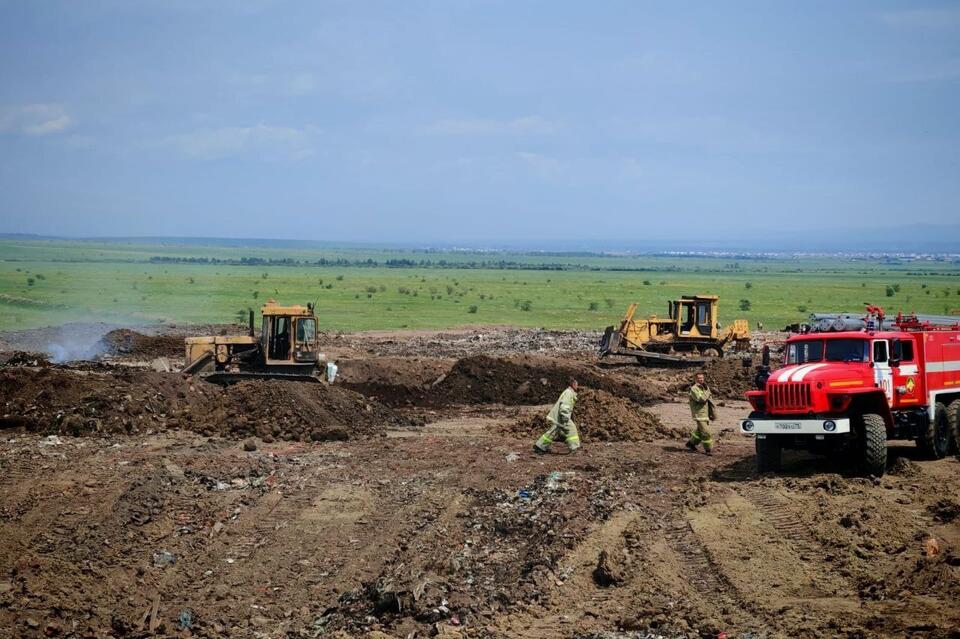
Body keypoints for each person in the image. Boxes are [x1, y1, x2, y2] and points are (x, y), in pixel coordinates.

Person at [534, 378, 580, 454]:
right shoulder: (569, 393)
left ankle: (539, 446)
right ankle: (575, 448)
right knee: (572, 429)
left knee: (553, 432)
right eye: (576, 384)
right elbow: (564, 406)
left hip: (560, 416)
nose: (577, 386)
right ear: (573, 384)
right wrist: (565, 416)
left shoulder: (568, 392)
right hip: (562, 417)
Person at [686, 372, 715, 455]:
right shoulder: (694, 389)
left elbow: (709, 401)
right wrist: (708, 392)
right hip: (699, 414)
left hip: (705, 413)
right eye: (699, 378)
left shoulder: (704, 388)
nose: (701, 379)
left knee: (699, 431)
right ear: (695, 379)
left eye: (702, 378)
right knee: (706, 432)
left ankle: (691, 443)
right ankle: (708, 450)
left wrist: (712, 413)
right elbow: (701, 399)